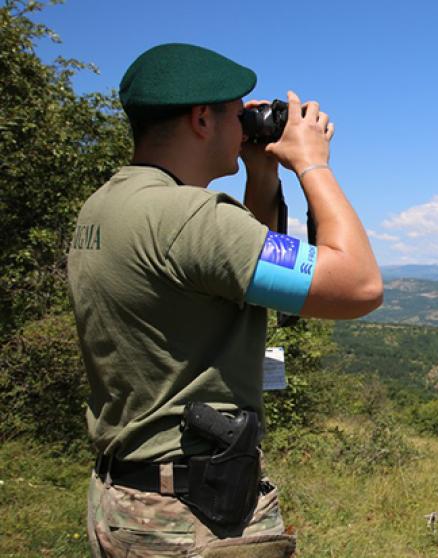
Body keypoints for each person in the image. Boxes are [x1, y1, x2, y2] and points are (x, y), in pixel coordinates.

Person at [67, 43, 383, 557]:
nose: (247, 127)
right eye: (239, 115)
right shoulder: (189, 217)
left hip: (128, 498)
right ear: (200, 119)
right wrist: (312, 165)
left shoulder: (109, 205)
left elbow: (240, 271)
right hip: (195, 515)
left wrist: (262, 175)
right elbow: (359, 286)